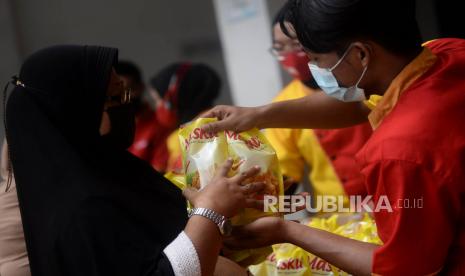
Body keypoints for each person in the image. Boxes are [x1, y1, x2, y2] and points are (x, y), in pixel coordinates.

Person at [205, 0, 465, 275]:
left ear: (360, 55)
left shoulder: (398, 150)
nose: (314, 68)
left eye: (315, 59)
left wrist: (286, 230)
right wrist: (257, 115)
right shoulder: (447, 50)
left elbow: (404, 270)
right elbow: (359, 104)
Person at [4, 45, 264, 276]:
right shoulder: (81, 208)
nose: (129, 105)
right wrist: (210, 212)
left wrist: (214, 227)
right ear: (78, 112)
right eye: (117, 96)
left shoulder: (111, 170)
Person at [266, 5, 372, 198]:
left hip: (394, 199)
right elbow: (284, 174)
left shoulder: (367, 82)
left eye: (296, 44)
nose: (289, 55)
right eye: (280, 47)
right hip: (340, 217)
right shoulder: (283, 106)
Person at [129, 63, 220, 173]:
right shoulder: (226, 120)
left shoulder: (184, 139)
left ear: (174, 101)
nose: (157, 107)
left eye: (158, 100)